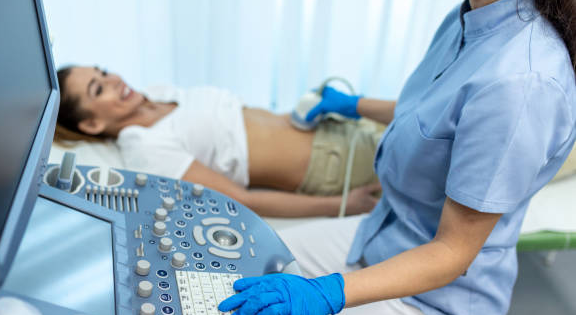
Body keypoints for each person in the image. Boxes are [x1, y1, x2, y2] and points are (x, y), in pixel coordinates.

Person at [218, 0, 576, 315]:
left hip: (436, 306)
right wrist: (355, 105)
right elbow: (436, 109)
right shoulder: (472, 19)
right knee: (235, 263)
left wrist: (327, 292)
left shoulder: (523, 84)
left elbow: (452, 254)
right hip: (385, 233)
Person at [55, 66, 387, 218]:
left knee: (426, 120)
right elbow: (243, 200)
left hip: (339, 125)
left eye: (101, 72)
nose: (113, 80)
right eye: (98, 89)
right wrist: (342, 206)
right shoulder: (145, 149)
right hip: (332, 165)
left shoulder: (158, 93)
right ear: (92, 123)